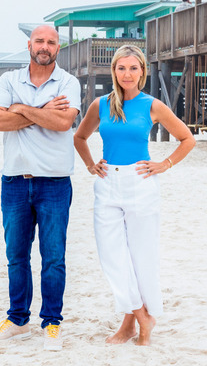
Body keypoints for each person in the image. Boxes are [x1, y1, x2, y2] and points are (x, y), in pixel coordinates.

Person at [73, 45, 195, 346]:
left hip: (141, 184)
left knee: (141, 258)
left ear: (143, 71)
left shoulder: (152, 105)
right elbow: (79, 137)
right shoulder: (100, 105)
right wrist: (91, 165)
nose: (127, 74)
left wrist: (163, 165)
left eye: (133, 68)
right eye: (121, 68)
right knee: (113, 256)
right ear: (114, 71)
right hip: (107, 185)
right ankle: (143, 316)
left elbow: (187, 139)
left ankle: (129, 326)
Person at [0, 25, 81, 351]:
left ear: (58, 48)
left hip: (54, 182)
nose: (44, 46)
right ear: (30, 44)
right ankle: (17, 320)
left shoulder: (69, 82)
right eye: (39, 41)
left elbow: (63, 123)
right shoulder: (9, 80)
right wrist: (41, 112)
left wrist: (21, 109)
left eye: (51, 42)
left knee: (53, 257)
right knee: (16, 256)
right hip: (14, 180)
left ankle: (52, 322)